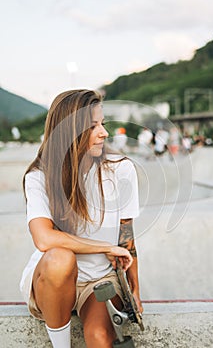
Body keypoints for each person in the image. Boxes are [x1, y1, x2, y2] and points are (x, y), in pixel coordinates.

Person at [19, 89, 143, 348]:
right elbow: (43, 238)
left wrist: (135, 291)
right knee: (59, 256)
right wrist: (106, 247)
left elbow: (126, 238)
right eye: (93, 126)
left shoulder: (121, 170)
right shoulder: (39, 177)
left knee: (99, 337)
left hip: (99, 281)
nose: (104, 133)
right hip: (53, 280)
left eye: (103, 124)